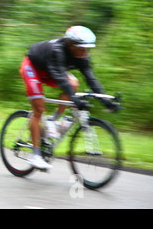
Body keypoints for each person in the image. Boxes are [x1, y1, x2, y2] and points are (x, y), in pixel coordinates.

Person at [19, 26, 118, 169]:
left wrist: (106, 101)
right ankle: (35, 155)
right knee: (39, 109)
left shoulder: (82, 56)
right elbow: (60, 78)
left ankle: (53, 120)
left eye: (88, 49)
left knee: (73, 84)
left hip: (50, 71)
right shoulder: (57, 50)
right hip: (32, 68)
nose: (85, 52)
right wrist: (74, 99)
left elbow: (91, 79)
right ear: (71, 45)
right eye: (82, 48)